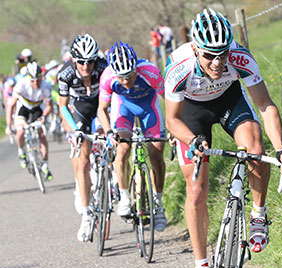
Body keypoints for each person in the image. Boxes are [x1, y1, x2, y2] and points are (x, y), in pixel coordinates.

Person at [164, 8, 282, 268]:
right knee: (196, 189)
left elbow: (265, 105)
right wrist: (192, 140)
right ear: (196, 48)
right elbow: (172, 119)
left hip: (229, 99)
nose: (218, 62)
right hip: (191, 113)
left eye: (222, 54)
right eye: (210, 55)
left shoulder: (239, 58)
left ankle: (258, 214)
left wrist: (281, 149)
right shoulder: (178, 66)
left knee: (255, 149)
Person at [97, 41, 167, 232]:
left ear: (136, 67)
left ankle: (158, 204)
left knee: (156, 156)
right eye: (122, 77)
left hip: (148, 108)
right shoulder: (108, 77)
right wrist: (109, 133)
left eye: (129, 75)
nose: (126, 81)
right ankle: (125, 196)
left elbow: (170, 99)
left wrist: (174, 127)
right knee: (123, 149)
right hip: (124, 108)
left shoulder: (150, 71)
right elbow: (102, 110)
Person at [58, 33, 108, 242]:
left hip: (101, 106)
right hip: (79, 110)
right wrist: (75, 129)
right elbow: (62, 107)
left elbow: (114, 99)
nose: (86, 67)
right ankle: (87, 214)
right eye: (81, 62)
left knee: (109, 139)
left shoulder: (104, 68)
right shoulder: (66, 73)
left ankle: (110, 178)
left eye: (90, 62)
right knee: (84, 160)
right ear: (73, 60)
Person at [6, 62, 53, 180]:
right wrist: (8, 124)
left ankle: (45, 165)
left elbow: (49, 106)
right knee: (21, 131)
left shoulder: (46, 86)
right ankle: (21, 151)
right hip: (24, 108)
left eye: (38, 80)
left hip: (38, 108)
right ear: (28, 79)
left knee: (41, 135)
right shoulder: (21, 85)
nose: (35, 83)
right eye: (32, 81)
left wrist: (44, 117)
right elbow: (11, 105)